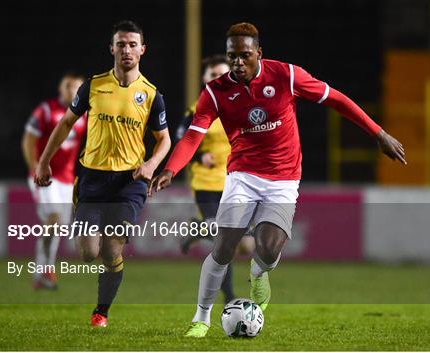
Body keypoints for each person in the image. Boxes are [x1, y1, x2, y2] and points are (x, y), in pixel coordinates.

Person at [150, 22, 406, 337]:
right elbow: (191, 138)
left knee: (269, 248)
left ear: (259, 53)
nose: (238, 63)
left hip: (284, 179)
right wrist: (170, 170)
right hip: (242, 175)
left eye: (245, 56)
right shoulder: (216, 92)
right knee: (224, 246)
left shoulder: (286, 76)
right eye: (233, 56)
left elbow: (337, 99)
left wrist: (378, 134)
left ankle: (260, 275)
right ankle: (201, 318)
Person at [34, 20, 171, 327]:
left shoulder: (151, 95)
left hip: (129, 182)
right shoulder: (93, 86)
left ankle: (101, 312)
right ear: (112, 48)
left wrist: (151, 165)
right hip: (93, 180)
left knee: (111, 250)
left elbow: (164, 140)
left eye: (133, 44)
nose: (127, 50)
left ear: (142, 50)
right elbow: (66, 123)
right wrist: (44, 162)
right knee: (87, 252)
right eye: (121, 44)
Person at [176, 55, 254, 304]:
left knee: (246, 247)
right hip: (207, 185)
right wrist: (200, 155)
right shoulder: (197, 111)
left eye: (222, 74)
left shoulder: (241, 107)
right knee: (225, 241)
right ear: (205, 79)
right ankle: (229, 296)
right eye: (213, 75)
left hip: (236, 184)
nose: (218, 79)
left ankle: (197, 228)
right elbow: (182, 142)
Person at [22, 73, 86, 290]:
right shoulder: (46, 110)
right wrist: (35, 169)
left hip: (67, 180)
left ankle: (42, 273)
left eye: (77, 87)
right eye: (68, 86)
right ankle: (44, 270)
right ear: (61, 89)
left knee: (58, 227)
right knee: (55, 219)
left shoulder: (84, 115)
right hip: (45, 176)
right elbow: (28, 140)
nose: (72, 91)